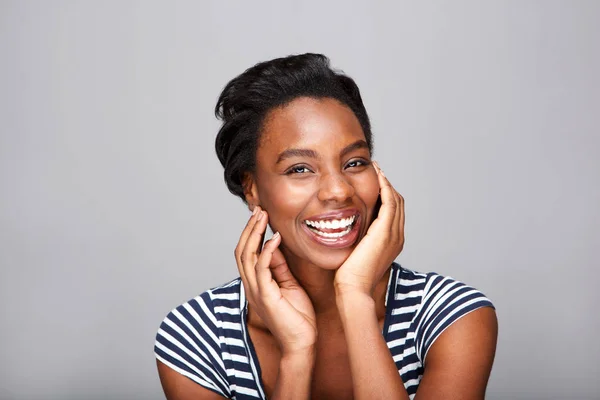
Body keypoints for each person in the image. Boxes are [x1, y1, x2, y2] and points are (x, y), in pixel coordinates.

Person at [154, 53, 498, 400]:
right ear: (252, 189)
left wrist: (355, 298)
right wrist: (297, 356)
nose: (338, 190)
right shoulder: (197, 336)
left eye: (354, 162)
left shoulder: (452, 317)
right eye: (300, 169)